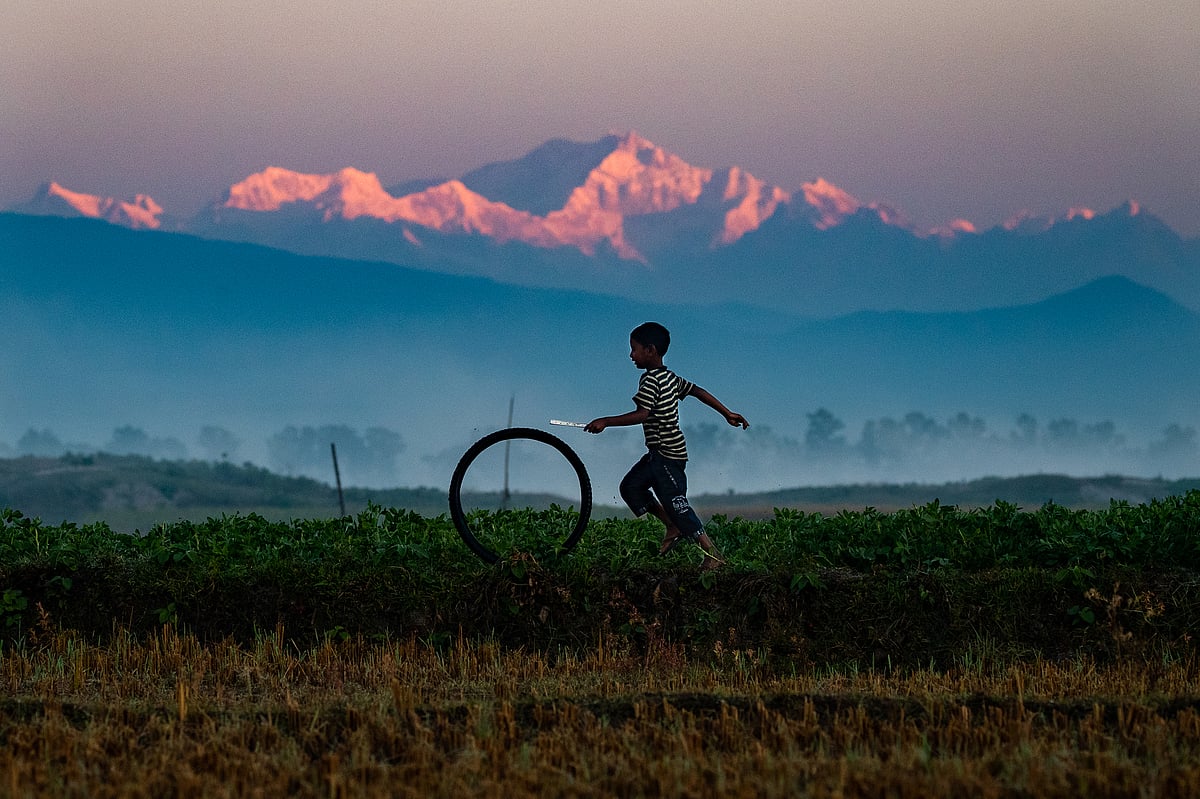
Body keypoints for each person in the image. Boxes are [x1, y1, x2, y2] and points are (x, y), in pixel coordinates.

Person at [584, 322, 749, 568]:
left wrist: (606, 421)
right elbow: (697, 391)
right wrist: (726, 413)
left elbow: (643, 414)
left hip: (668, 456)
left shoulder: (652, 381)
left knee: (676, 503)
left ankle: (712, 554)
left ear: (650, 350)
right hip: (656, 455)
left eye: (634, 349)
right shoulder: (670, 377)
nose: (631, 355)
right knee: (631, 487)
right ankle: (671, 525)